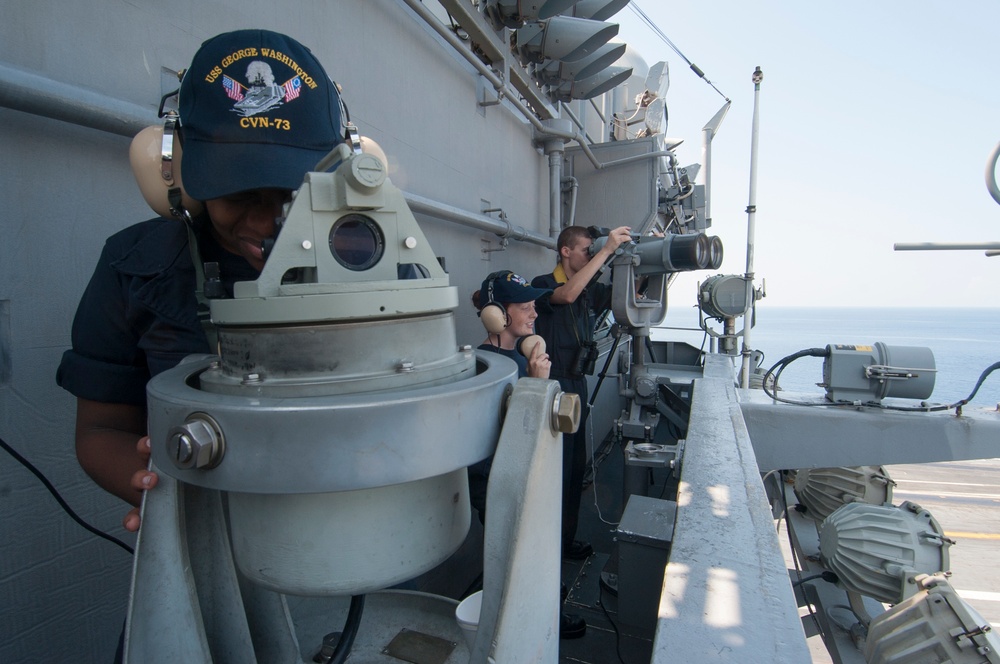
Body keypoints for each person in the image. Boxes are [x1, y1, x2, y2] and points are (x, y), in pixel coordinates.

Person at [55, 29, 347, 535]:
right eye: (238, 194)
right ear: (176, 171)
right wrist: (167, 494)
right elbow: (101, 429)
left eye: (292, 193)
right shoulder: (135, 269)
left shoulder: (380, 263)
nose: (266, 222)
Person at [468, 270, 587, 640]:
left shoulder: (513, 358)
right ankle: (527, 622)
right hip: (503, 482)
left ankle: (539, 602)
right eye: (524, 307)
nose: (534, 313)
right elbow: (514, 437)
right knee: (520, 555)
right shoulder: (486, 368)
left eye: (534, 305)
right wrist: (537, 386)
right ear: (497, 315)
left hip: (520, 477)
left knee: (530, 550)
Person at [531, 224, 633, 561]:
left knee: (575, 472)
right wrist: (605, 252)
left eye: (594, 249)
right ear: (565, 251)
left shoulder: (590, 289)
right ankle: (545, 545)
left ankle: (564, 540)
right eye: (587, 250)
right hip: (553, 384)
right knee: (554, 474)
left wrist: (644, 260)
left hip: (577, 382)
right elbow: (567, 295)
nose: (591, 253)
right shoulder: (542, 286)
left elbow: (632, 292)